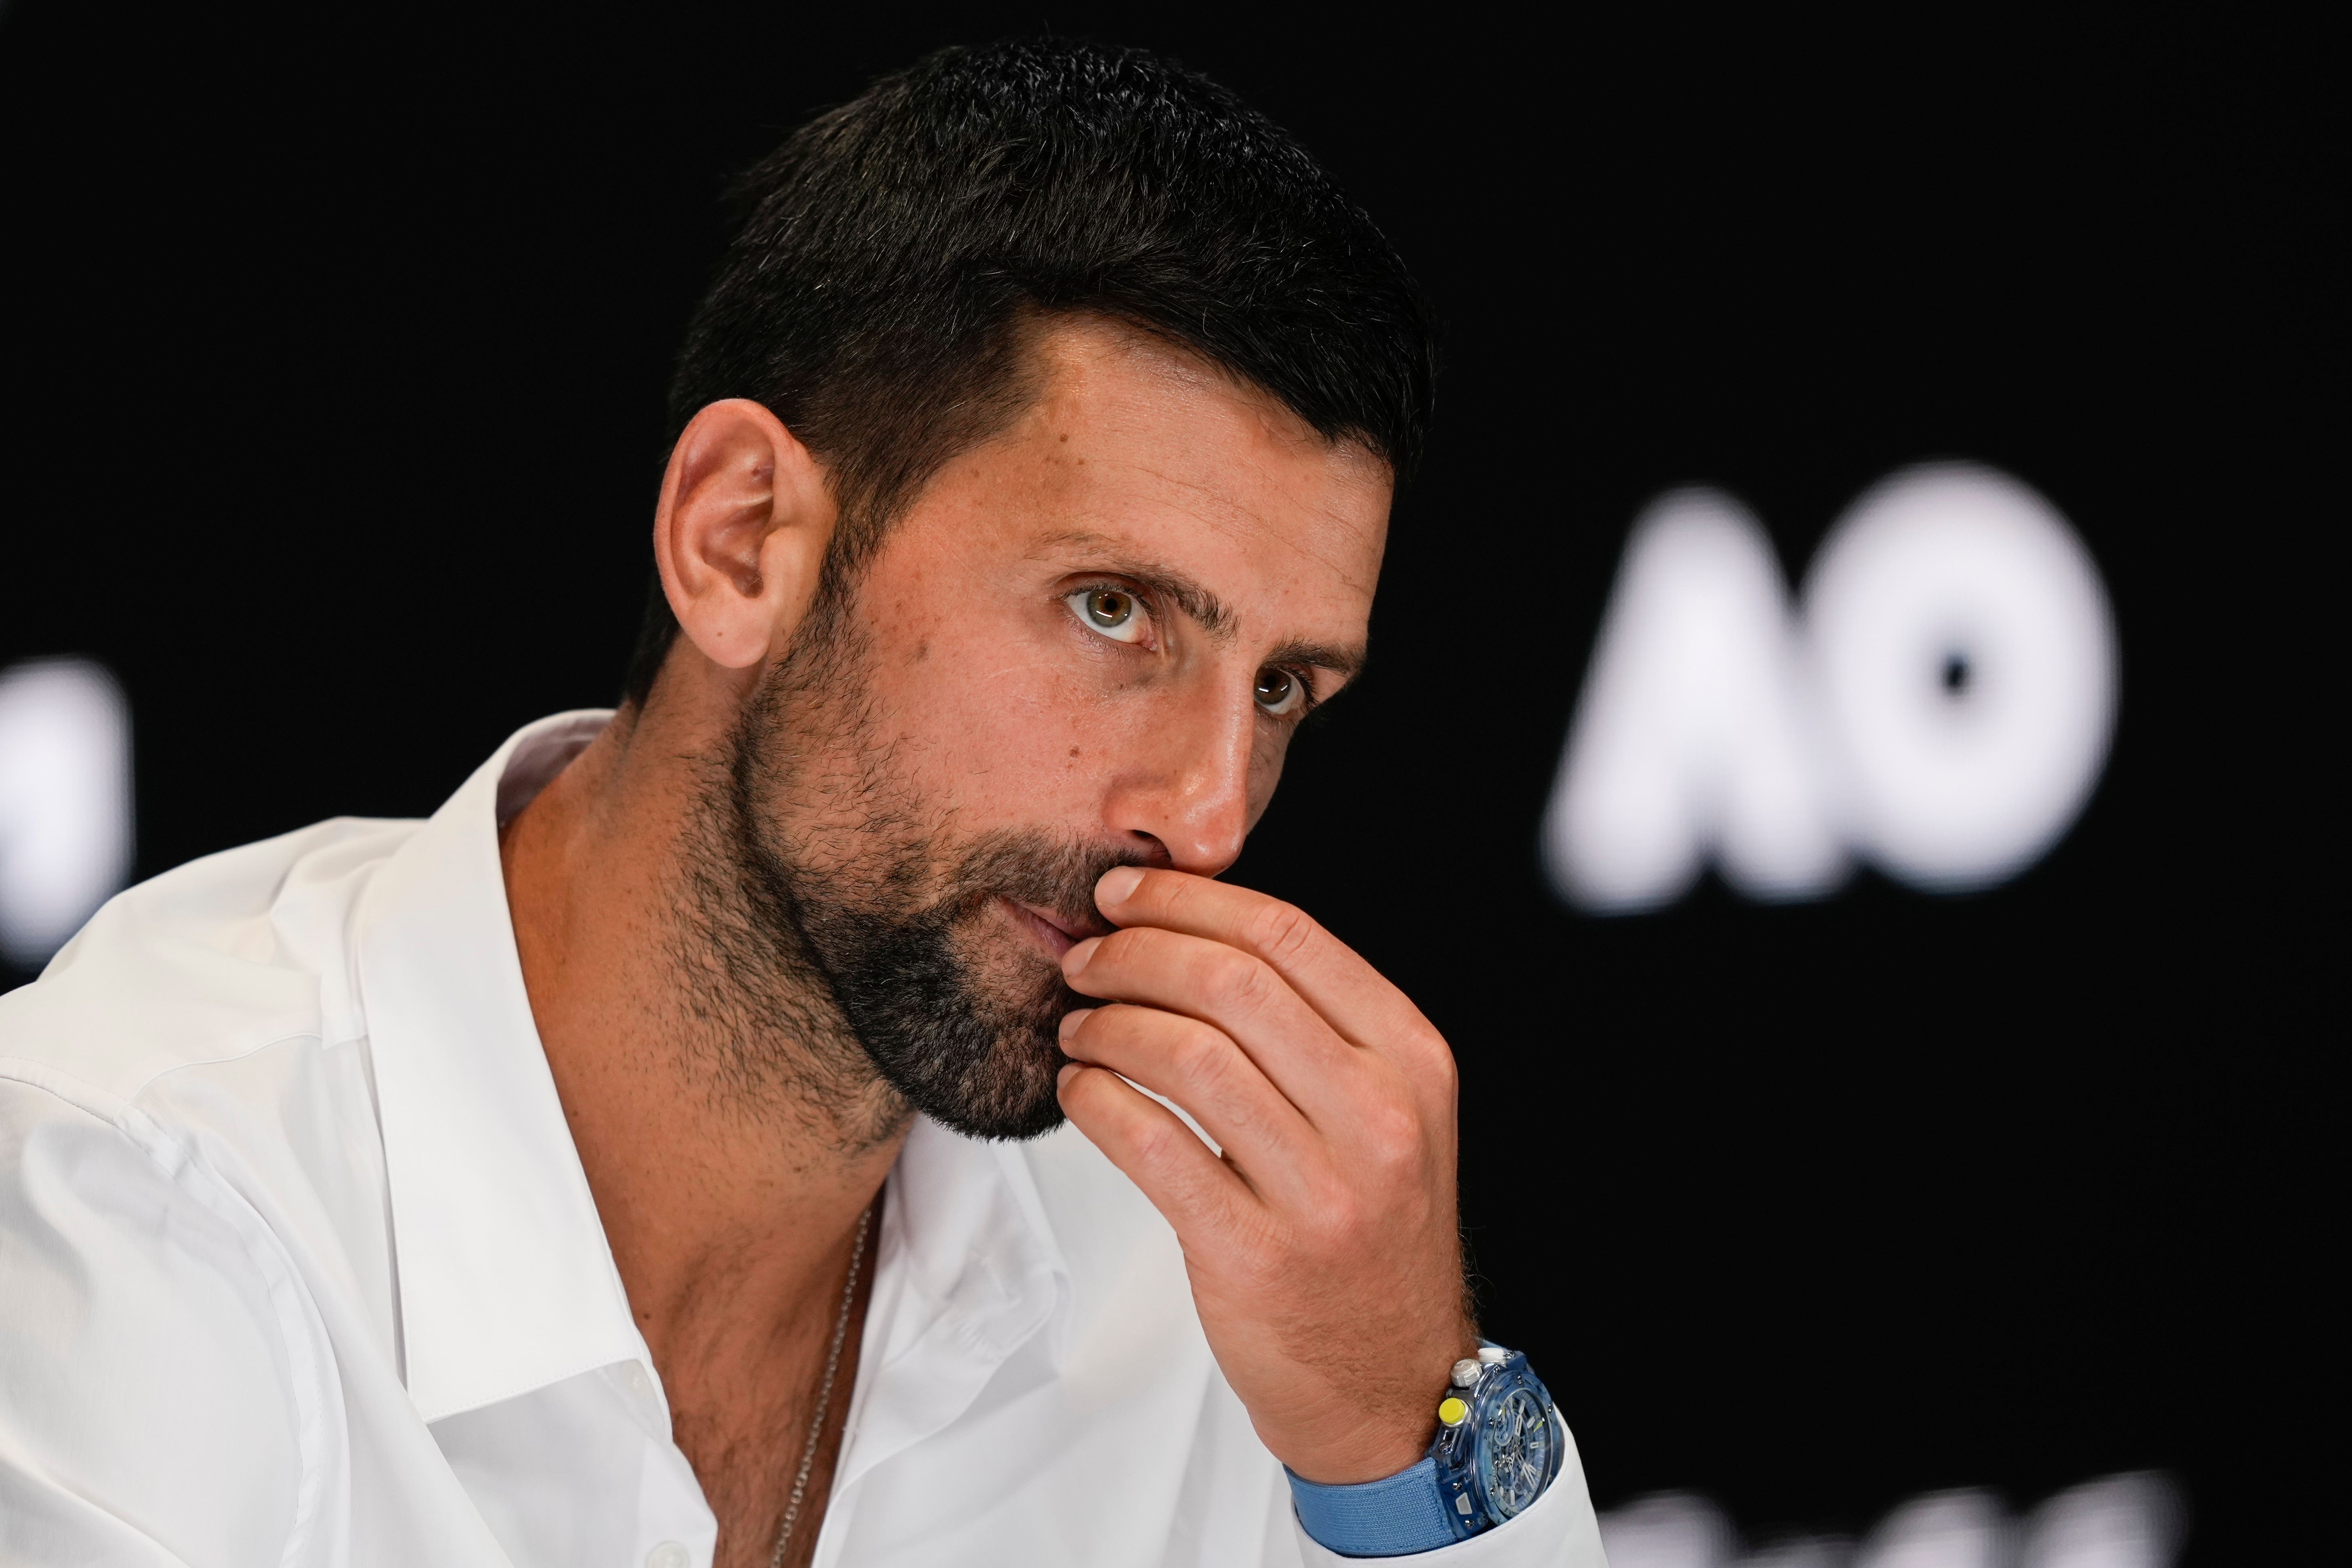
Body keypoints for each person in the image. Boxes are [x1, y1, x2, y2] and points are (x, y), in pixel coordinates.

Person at [0, 39, 1604, 1568]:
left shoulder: (1209, 1265)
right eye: (1113, 610)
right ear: (740, 539)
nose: (1206, 816)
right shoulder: (118, 1202)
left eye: (1278, 692)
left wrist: (1406, 1433)